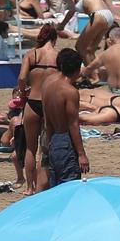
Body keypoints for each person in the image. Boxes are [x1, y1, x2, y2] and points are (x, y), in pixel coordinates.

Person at [39, 49, 88, 187]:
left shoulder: (48, 84)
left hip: (53, 139)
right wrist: (81, 154)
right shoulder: (70, 92)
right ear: (77, 69)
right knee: (70, 186)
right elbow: (73, 124)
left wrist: (49, 144)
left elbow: (47, 120)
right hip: (66, 140)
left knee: (55, 186)